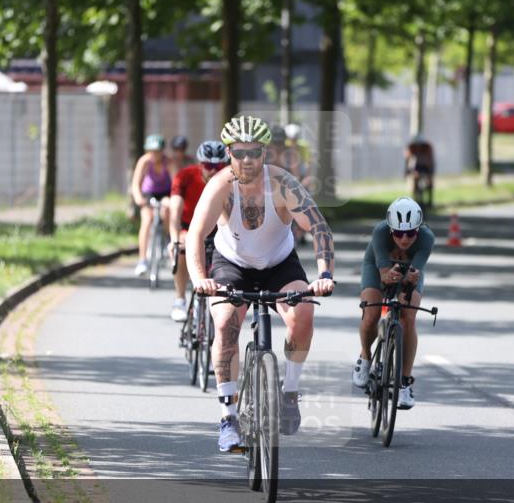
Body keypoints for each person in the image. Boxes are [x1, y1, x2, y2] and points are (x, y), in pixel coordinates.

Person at [186, 115, 335, 452]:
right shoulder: (220, 187)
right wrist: (200, 279)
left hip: (279, 263)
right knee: (225, 325)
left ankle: (289, 392)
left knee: (304, 316)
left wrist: (324, 274)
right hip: (232, 264)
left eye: (254, 152)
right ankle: (228, 417)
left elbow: (318, 228)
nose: (247, 160)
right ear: (229, 153)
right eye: (239, 153)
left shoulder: (283, 185)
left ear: (264, 153)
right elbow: (196, 233)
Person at [352, 197, 436, 409]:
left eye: (411, 233)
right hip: (377, 267)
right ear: (390, 230)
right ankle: (365, 356)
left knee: (408, 317)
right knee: (370, 313)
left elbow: (414, 274)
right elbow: (384, 277)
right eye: (399, 233)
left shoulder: (427, 239)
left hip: (410, 273)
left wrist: (407, 281)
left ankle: (405, 382)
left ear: (419, 230)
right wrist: (390, 278)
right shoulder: (380, 232)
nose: (405, 239)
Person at [167, 141, 229, 321]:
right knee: (181, 248)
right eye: (208, 165)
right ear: (200, 164)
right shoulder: (185, 176)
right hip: (189, 227)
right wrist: (174, 238)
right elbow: (175, 211)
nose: (213, 170)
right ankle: (179, 299)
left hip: (219, 230)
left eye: (218, 166)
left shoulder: (231, 178)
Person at [130, 134, 174, 277]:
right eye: (151, 151)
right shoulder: (144, 162)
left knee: (167, 210)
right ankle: (143, 260)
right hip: (148, 193)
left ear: (162, 151)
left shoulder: (169, 162)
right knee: (147, 220)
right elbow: (136, 183)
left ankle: (168, 239)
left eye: (157, 151)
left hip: (166, 192)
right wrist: (138, 198)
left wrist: (173, 199)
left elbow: (176, 182)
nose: (154, 154)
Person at [405, 135, 435, 211]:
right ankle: (415, 200)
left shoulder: (427, 148)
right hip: (416, 167)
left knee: (429, 183)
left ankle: (429, 202)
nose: (418, 147)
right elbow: (408, 160)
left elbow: (430, 161)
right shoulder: (411, 148)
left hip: (426, 167)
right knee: (415, 182)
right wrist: (408, 171)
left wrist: (430, 173)